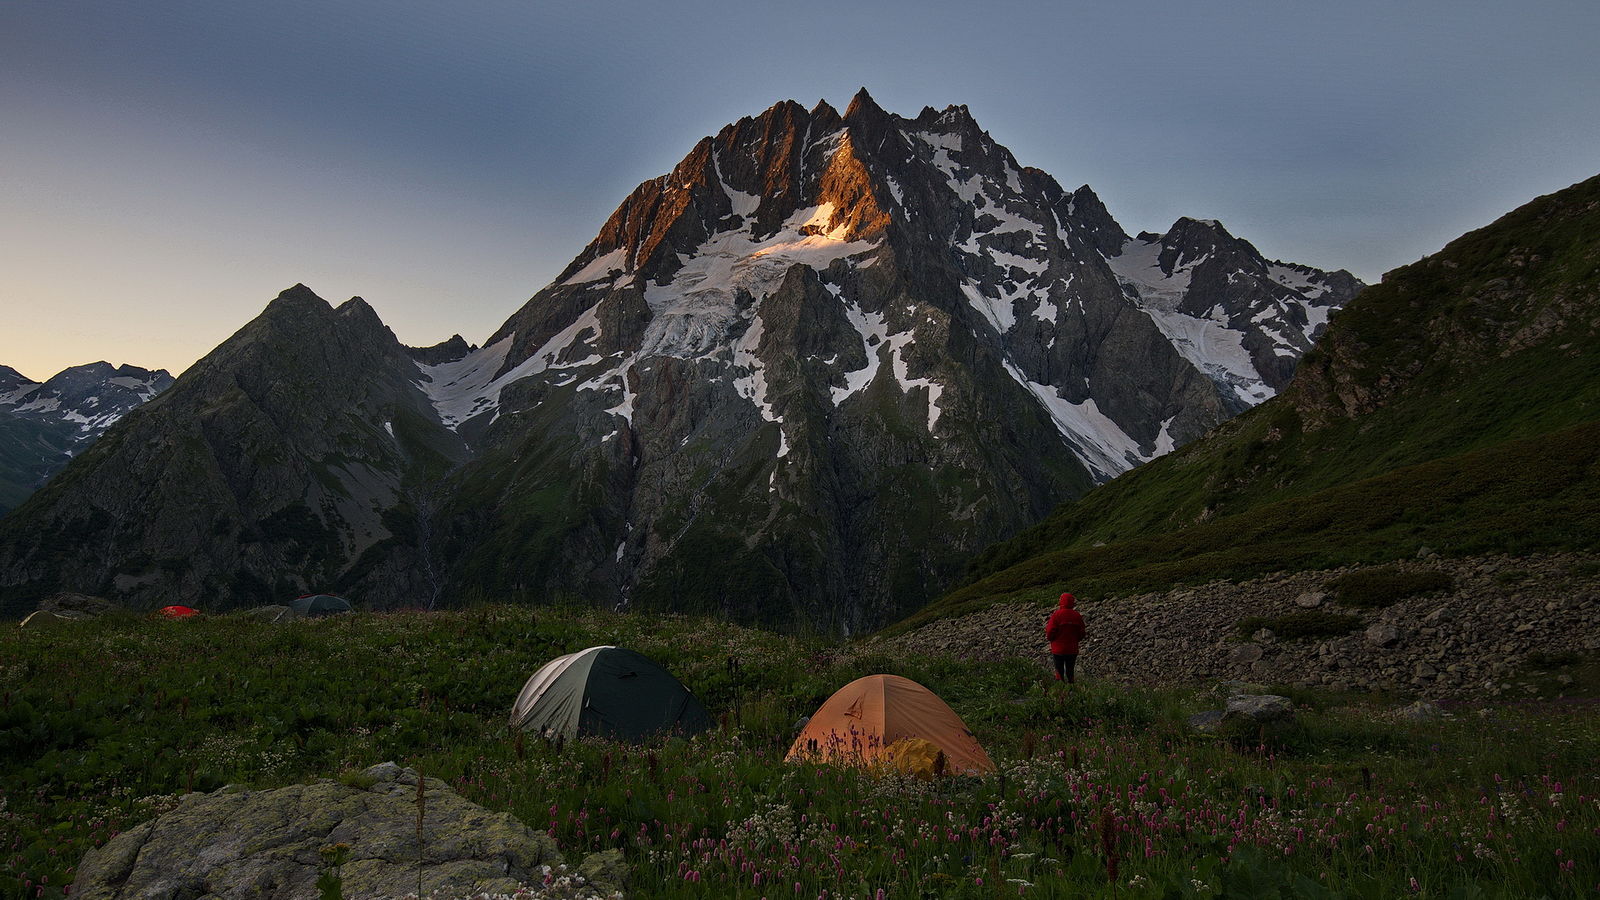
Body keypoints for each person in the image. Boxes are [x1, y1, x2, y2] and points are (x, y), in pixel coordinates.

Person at [1045, 592, 1087, 683]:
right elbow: (1082, 632)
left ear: (1061, 602)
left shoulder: (1056, 615)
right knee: (1070, 670)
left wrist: (1051, 639)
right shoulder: (1077, 615)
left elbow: (1049, 631)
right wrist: (1076, 640)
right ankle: (1072, 687)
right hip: (1072, 649)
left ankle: (1060, 690)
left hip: (1058, 649)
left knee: (1059, 671)